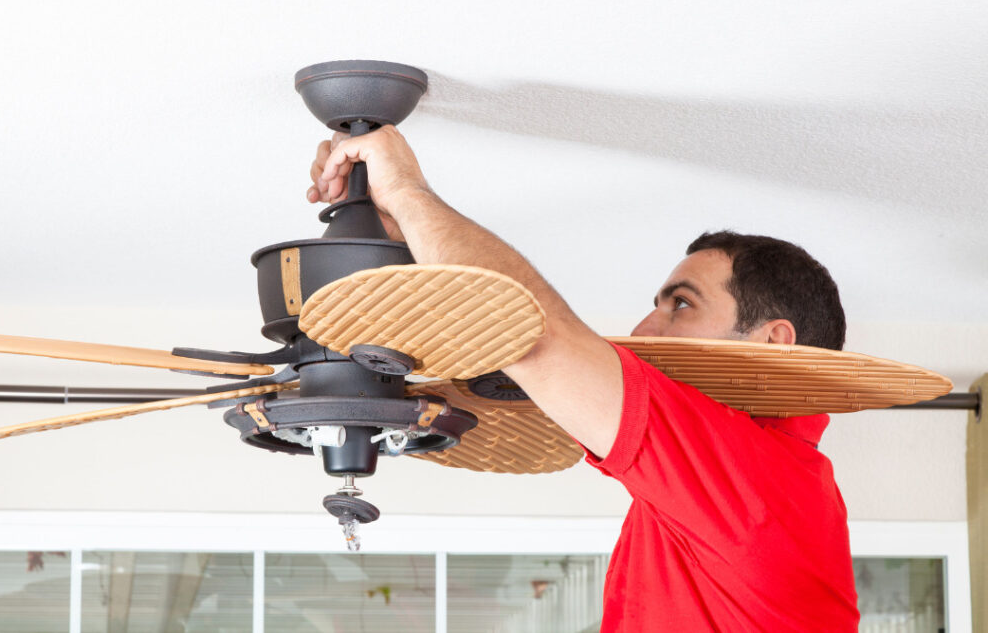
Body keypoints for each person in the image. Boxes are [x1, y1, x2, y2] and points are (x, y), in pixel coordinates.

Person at [308, 126, 861, 632]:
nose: (644, 329)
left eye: (682, 306)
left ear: (772, 341)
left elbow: (527, 335)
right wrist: (402, 228)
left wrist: (406, 192)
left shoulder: (757, 478)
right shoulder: (749, 483)